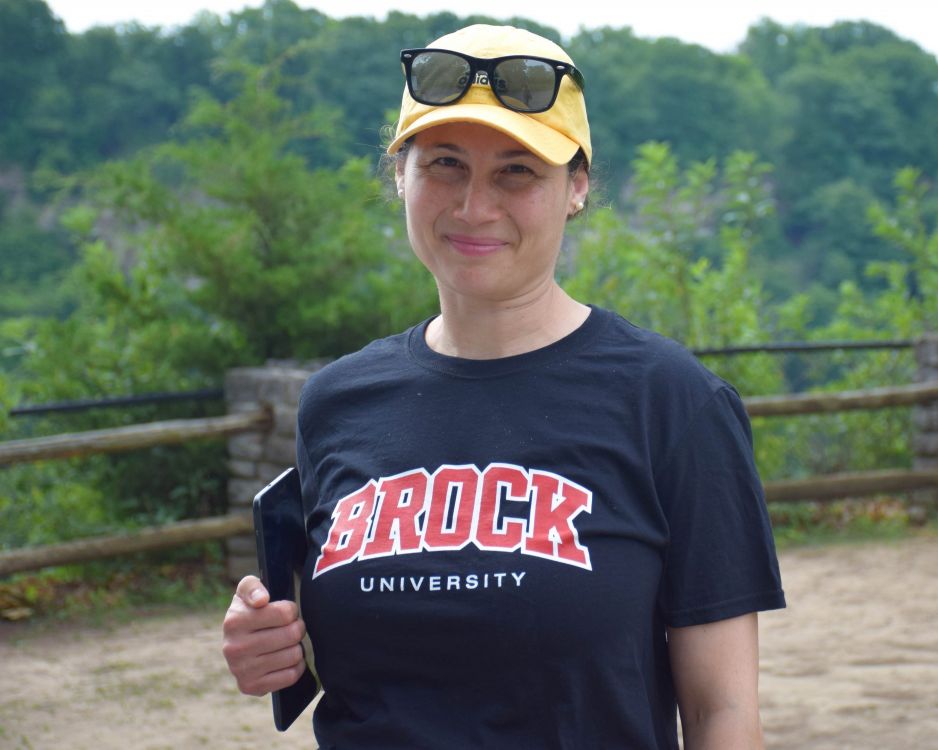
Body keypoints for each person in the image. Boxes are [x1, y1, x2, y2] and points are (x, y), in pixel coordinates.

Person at [221, 23, 785, 749]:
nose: (473, 206)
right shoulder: (335, 403)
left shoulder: (671, 403)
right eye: (445, 164)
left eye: (517, 171)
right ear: (401, 175)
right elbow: (336, 650)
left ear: (576, 187)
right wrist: (265, 641)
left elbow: (723, 713)